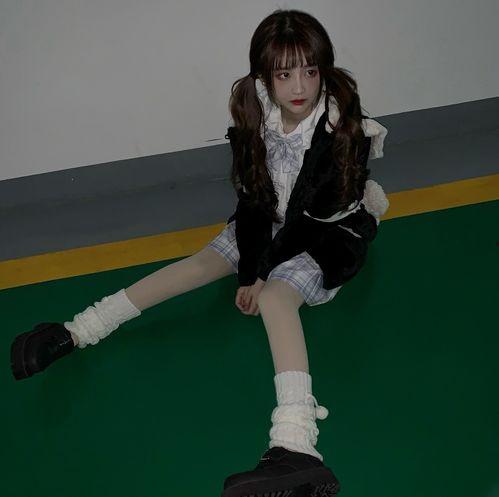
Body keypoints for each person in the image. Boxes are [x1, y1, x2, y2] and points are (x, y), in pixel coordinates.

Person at [10, 8, 389, 497]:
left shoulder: (344, 130)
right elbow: (254, 201)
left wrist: (260, 276)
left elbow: (308, 222)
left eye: (310, 71)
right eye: (284, 74)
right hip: (274, 222)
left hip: (326, 234)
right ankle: (78, 329)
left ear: (323, 70)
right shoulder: (256, 113)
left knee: (275, 299)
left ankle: (297, 445)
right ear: (264, 77)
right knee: (199, 265)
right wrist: (248, 269)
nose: (300, 87)